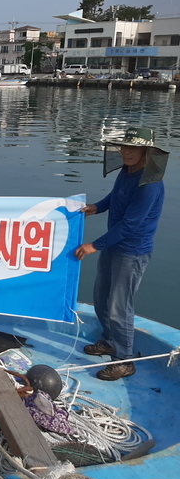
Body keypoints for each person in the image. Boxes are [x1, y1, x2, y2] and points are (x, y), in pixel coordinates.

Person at [75, 128, 170, 381]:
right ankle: (109, 340)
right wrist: (97, 207)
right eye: (124, 147)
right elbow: (115, 197)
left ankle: (124, 360)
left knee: (120, 307)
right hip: (113, 245)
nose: (127, 152)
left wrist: (94, 245)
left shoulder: (150, 185)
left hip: (132, 252)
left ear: (146, 152)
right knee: (100, 297)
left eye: (134, 149)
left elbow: (131, 225)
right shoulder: (127, 173)